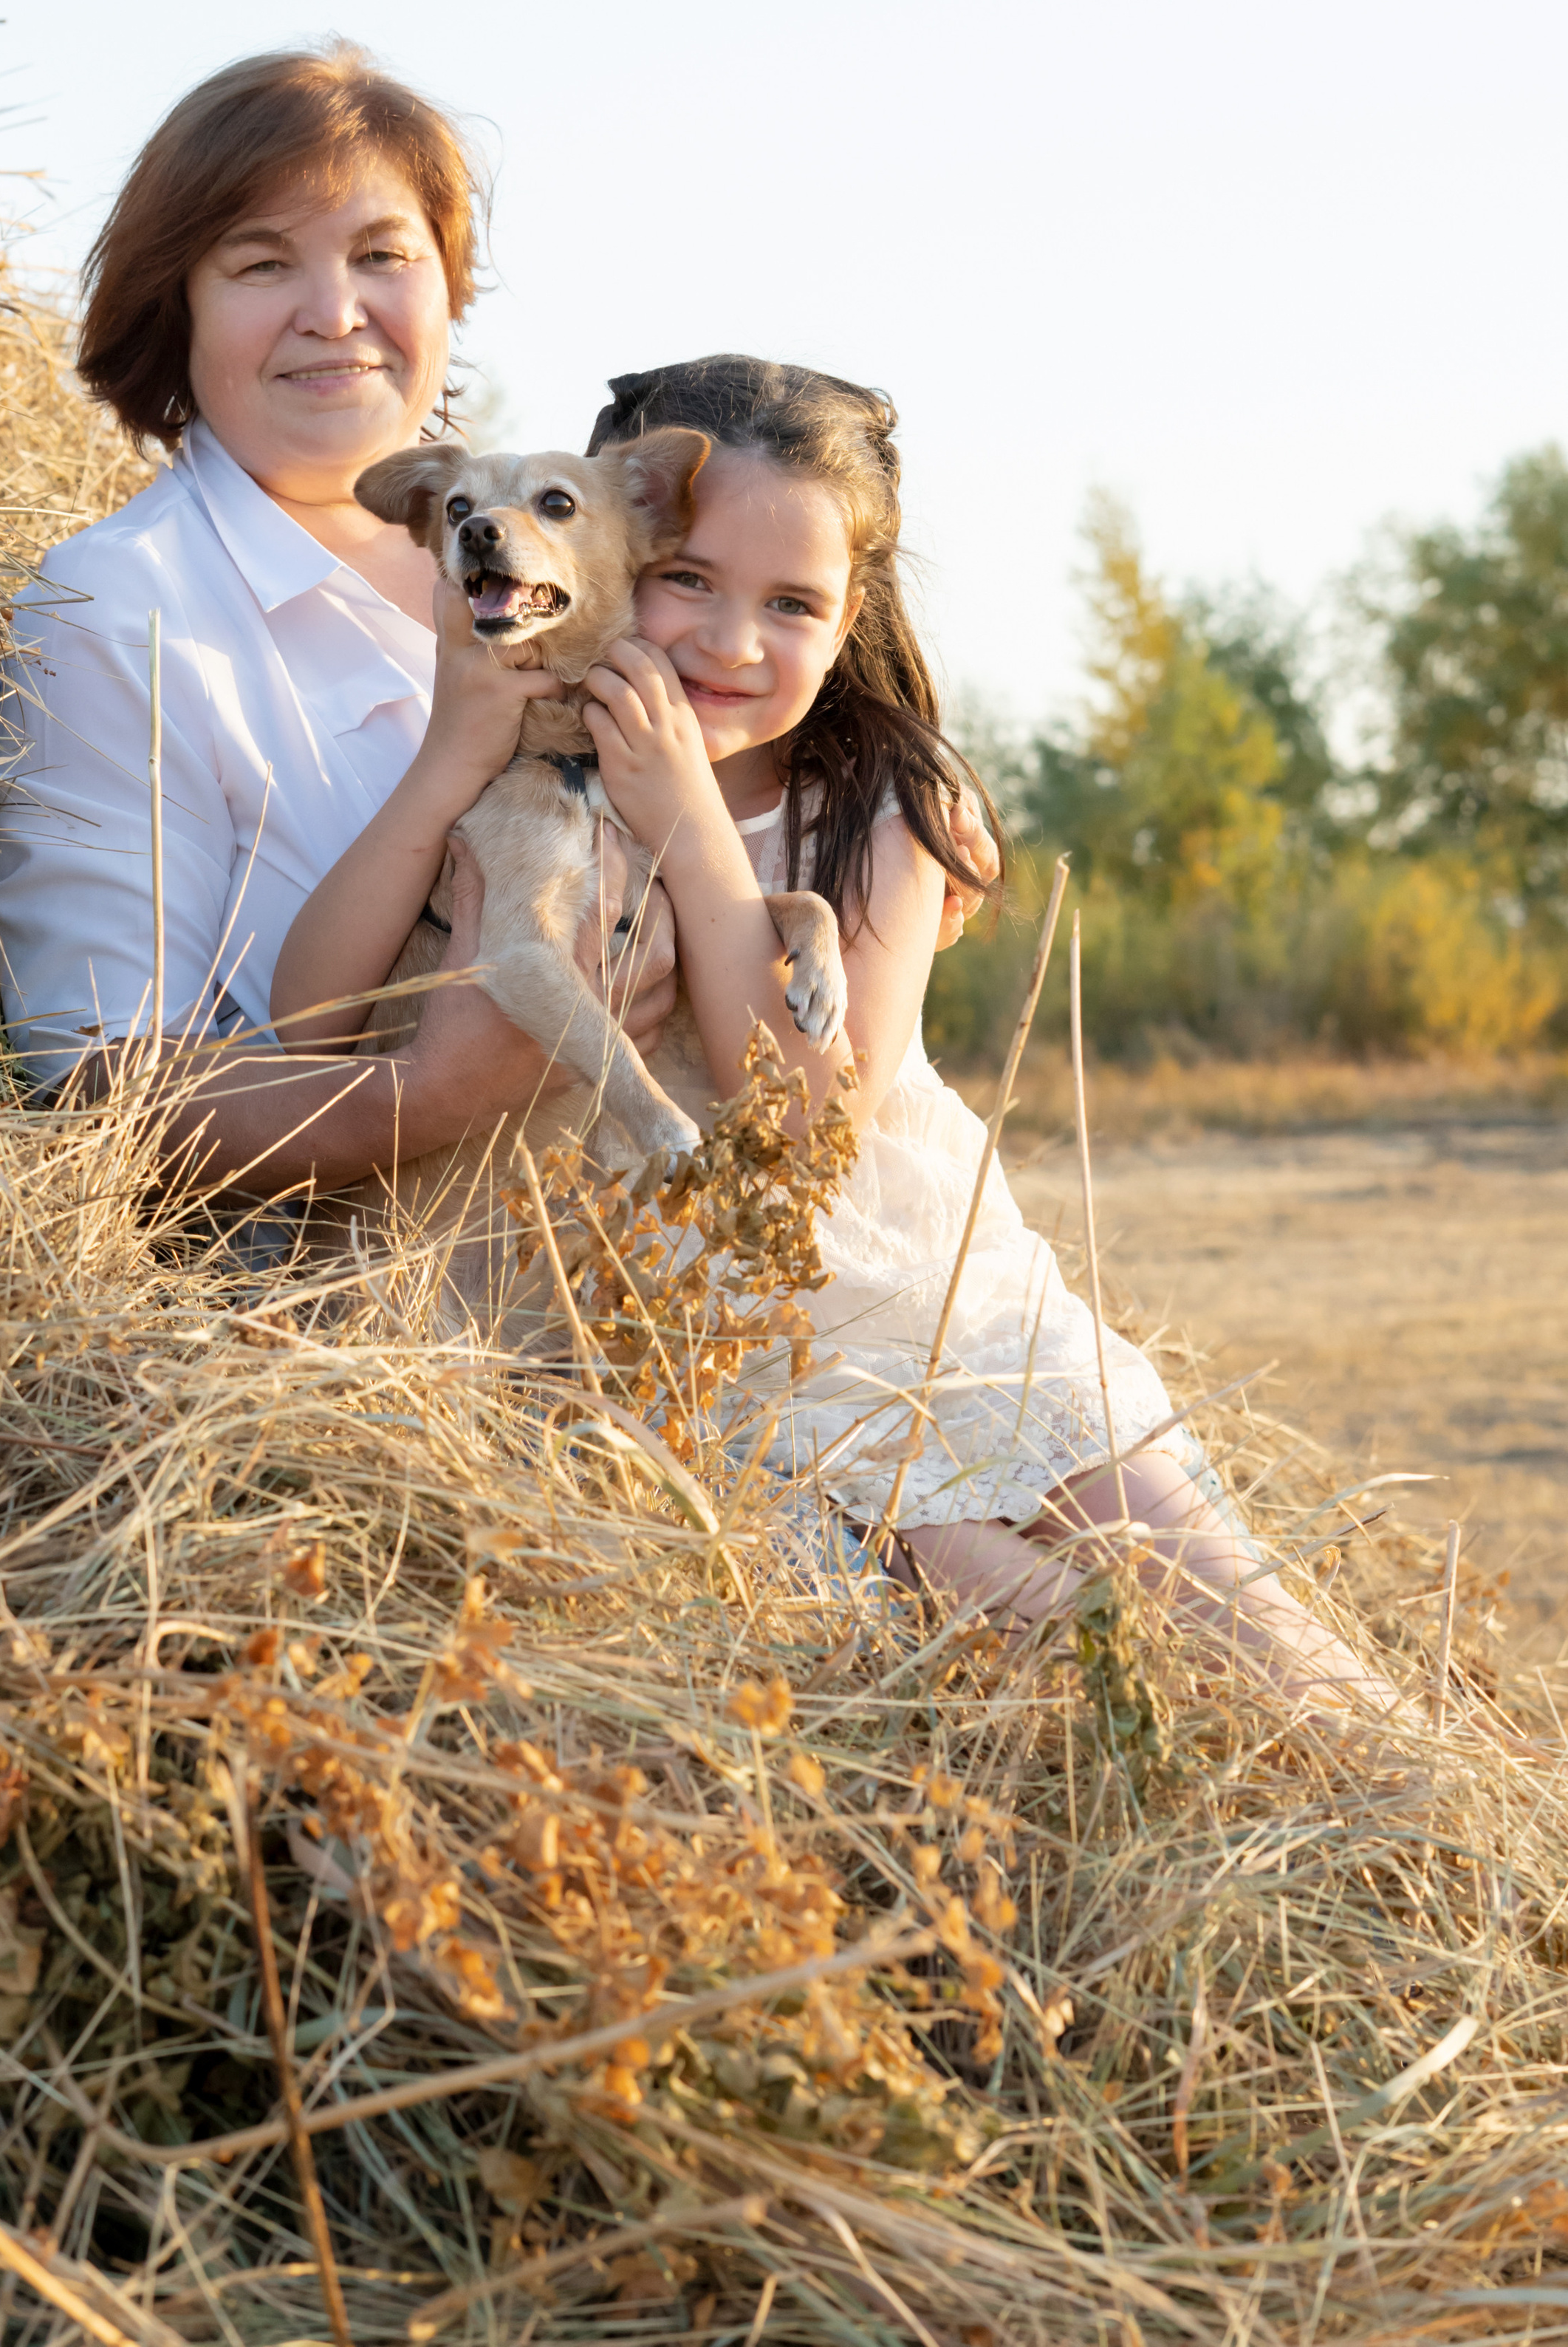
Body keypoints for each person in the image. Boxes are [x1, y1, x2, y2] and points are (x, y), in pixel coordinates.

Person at [573, 358, 1390, 1707]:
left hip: (922, 1288)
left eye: (793, 604)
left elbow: (804, 1131)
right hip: (714, 1342)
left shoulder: (883, 800)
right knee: (1058, 1637)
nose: (730, 643)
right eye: (689, 581)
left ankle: (1458, 1847)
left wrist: (688, 822)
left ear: (854, 620)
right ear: (610, 546)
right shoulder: (546, 782)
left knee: (1240, 1625)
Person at [0, 44, 677, 1201]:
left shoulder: (569, 548)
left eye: (382, 256)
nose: (334, 313)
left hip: (643, 1235)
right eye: (260, 264)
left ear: (448, 287)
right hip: (382, 1282)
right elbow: (93, 1083)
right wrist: (435, 1091)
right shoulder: (119, 609)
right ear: (177, 307)